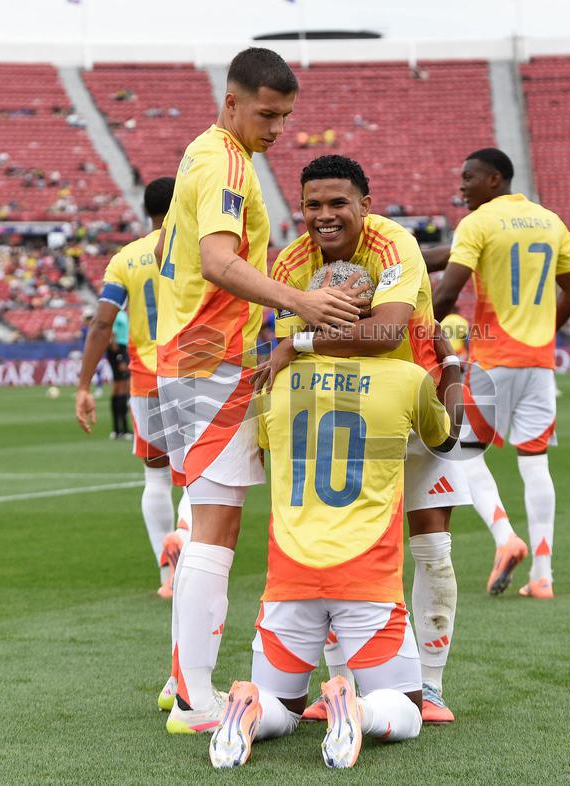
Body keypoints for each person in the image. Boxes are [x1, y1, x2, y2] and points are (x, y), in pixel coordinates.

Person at [153, 48, 365, 734]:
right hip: (207, 361)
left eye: (287, 116)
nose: (279, 127)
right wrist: (300, 303)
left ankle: (181, 676)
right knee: (215, 525)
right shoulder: (223, 161)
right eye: (268, 114)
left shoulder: (212, 155)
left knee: (207, 519)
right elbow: (218, 261)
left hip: (200, 358)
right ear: (232, 101)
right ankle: (192, 701)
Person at [207, 265, 460, 769]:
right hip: (366, 577)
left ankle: (248, 707)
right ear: (369, 313)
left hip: (289, 577)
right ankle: (357, 709)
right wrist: (450, 360)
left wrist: (296, 347)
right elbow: (446, 438)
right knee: (408, 710)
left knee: (284, 706)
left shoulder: (274, 380)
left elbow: (261, 445)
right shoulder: (406, 379)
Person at [264, 155, 470, 722]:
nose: (324, 216)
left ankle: (428, 685)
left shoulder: (393, 245)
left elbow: (383, 334)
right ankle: (341, 686)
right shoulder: (290, 263)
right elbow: (284, 359)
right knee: (333, 541)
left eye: (338, 203)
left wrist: (302, 343)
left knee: (431, 545)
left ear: (365, 205)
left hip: (414, 393)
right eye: (312, 205)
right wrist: (294, 350)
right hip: (342, 409)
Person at [432, 148, 570, 600]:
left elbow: (447, 294)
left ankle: (504, 537)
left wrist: (413, 333)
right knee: (535, 462)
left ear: (495, 179)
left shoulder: (478, 223)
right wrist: (542, 333)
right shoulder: (550, 221)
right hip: (539, 365)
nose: (461, 186)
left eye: (469, 177)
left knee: (461, 454)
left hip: (494, 359)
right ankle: (543, 575)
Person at [75, 178, 191, 604]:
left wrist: (84, 384)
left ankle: (167, 572)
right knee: (198, 478)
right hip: (195, 372)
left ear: (146, 212)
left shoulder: (126, 258)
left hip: (145, 380)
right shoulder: (196, 246)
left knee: (155, 476)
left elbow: (102, 323)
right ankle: (188, 551)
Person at [106, 307, 131, 439]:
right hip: (118, 350)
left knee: (120, 389)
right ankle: (122, 429)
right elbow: (112, 332)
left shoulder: (120, 312)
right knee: (121, 388)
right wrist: (120, 356)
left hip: (120, 349)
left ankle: (118, 429)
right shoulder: (116, 312)